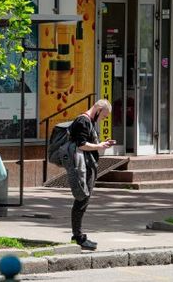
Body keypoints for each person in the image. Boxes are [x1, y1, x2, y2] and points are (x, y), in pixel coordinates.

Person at [65, 99, 115, 251]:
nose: (103, 119)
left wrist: (102, 144)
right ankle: (78, 236)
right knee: (82, 199)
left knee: (83, 200)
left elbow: (87, 142)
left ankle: (78, 235)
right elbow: (81, 144)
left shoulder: (89, 122)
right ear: (98, 109)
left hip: (88, 165)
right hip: (83, 167)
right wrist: (99, 146)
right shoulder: (83, 121)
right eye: (104, 116)